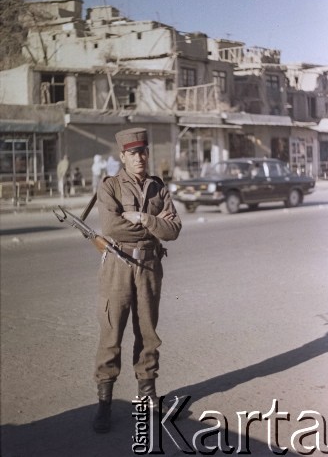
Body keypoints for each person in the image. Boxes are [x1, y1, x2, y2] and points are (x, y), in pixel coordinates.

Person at [93, 127, 182, 433]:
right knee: (111, 335)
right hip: (117, 268)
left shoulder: (158, 188)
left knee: (148, 335)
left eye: (143, 151)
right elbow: (113, 228)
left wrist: (144, 218)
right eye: (133, 153)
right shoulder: (111, 187)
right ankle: (104, 405)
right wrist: (155, 228)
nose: (140, 157)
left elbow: (174, 230)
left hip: (149, 268)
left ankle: (149, 399)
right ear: (123, 157)